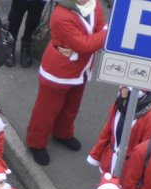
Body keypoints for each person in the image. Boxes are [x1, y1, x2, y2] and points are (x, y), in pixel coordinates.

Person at [25, 0, 107, 162]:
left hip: (81, 68)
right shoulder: (61, 15)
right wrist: (104, 35)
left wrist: (89, 42)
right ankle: (36, 143)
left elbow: (97, 31)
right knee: (46, 111)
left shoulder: (94, 4)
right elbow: (84, 44)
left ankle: (63, 133)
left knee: (71, 106)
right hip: (58, 70)